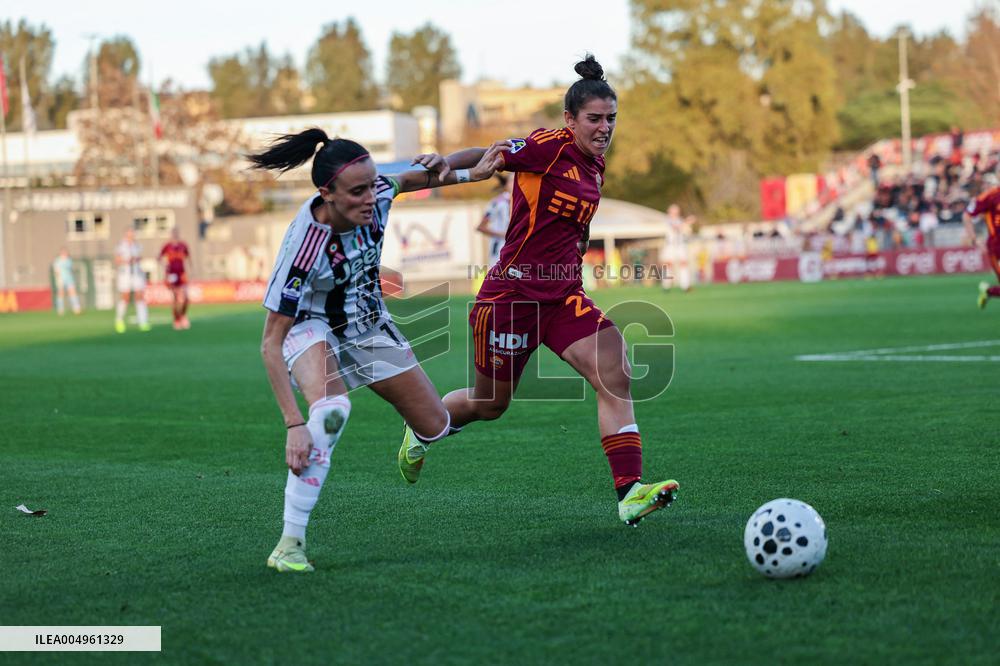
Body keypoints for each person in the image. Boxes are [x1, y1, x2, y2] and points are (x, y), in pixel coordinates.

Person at [397, 55, 679, 527]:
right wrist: (447, 164)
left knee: (616, 369)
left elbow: (572, 227)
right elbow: (487, 153)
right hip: (511, 299)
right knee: (491, 404)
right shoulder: (549, 147)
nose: (604, 127)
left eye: (611, 118)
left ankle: (630, 492)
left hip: (563, 296)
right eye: (594, 119)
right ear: (570, 120)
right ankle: (423, 429)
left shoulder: (596, 166)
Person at [249, 128, 505, 572]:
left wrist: (470, 173)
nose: (371, 197)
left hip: (366, 324)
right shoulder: (304, 249)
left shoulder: (381, 192)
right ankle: (289, 544)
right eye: (357, 191)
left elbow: (415, 178)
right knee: (331, 410)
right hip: (310, 327)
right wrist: (294, 423)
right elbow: (271, 342)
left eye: (372, 185)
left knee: (435, 424)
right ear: (326, 193)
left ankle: (415, 434)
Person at [962, 179, 1000, 309]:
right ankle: (988, 291)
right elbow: (967, 215)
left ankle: (988, 291)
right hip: (997, 248)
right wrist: (974, 238)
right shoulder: (990, 196)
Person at [114, 228, 150, 333]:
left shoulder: (137, 246)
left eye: (132, 234)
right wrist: (126, 261)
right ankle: (119, 320)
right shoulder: (121, 246)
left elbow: (139, 258)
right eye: (129, 234)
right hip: (125, 275)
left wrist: (136, 259)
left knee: (140, 296)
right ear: (126, 235)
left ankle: (143, 321)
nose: (131, 236)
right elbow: (117, 260)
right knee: (125, 297)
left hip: (136, 274)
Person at [476, 174, 513, 267]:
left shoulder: (526, 202)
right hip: (498, 252)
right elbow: (481, 227)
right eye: (512, 180)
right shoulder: (497, 202)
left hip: (516, 251)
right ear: (506, 184)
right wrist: (503, 235)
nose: (515, 183)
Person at [159, 228, 192, 330]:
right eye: (173, 234)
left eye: (176, 233)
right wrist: (165, 268)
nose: (175, 235)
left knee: (186, 298)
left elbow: (189, 258)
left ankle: (183, 316)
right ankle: (176, 319)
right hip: (172, 274)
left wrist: (190, 270)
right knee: (175, 298)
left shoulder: (183, 245)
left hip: (182, 273)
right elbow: (159, 258)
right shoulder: (167, 246)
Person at [52, 248, 82, 315]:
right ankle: (60, 309)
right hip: (61, 279)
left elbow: (70, 269)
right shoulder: (57, 261)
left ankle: (76, 308)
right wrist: (58, 279)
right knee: (61, 293)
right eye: (63, 252)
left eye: (66, 252)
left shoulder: (69, 260)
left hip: (69, 279)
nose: (65, 253)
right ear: (60, 253)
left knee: (72, 292)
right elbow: (56, 271)